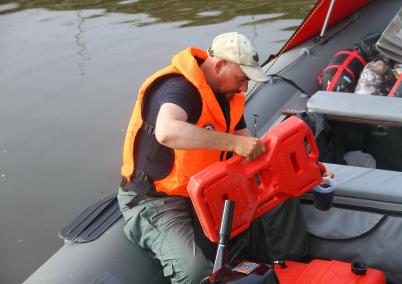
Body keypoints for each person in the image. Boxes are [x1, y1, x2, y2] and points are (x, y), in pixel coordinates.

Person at [117, 32, 304, 283]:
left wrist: (306, 168)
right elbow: (167, 131)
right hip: (157, 200)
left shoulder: (229, 96)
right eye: (241, 78)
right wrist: (235, 143)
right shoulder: (178, 89)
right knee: (194, 271)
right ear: (219, 66)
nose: (244, 88)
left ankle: (291, 268)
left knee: (281, 195)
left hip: (207, 190)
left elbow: (252, 151)